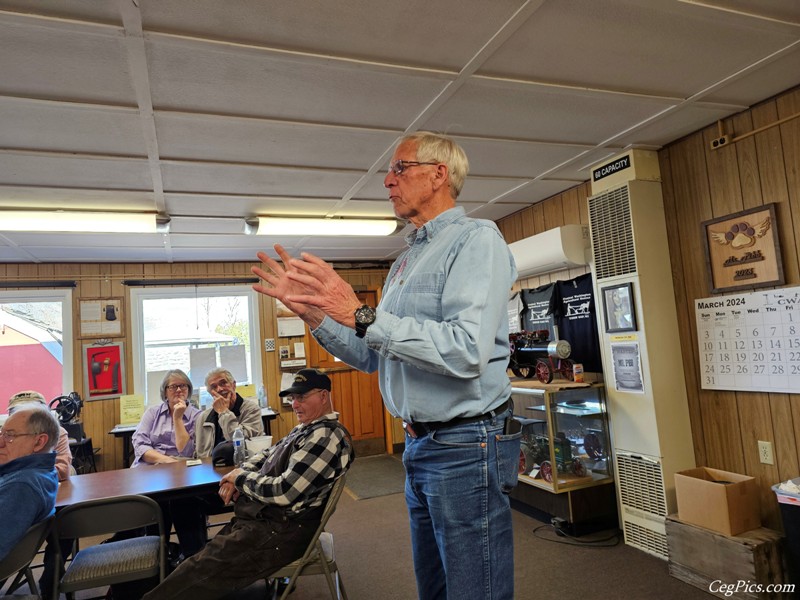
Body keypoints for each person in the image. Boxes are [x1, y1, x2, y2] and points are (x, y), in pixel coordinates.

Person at [252, 131, 520, 600]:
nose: (387, 182)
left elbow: (464, 350)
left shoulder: (477, 241)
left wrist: (357, 311)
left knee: (474, 590)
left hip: (464, 445)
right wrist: (314, 313)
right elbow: (373, 354)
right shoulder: (406, 259)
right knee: (434, 588)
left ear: (439, 174)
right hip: (420, 448)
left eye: (399, 168)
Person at [142, 368, 354, 600]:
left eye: (302, 397)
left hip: (281, 531)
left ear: (323, 396)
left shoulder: (325, 436)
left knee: (195, 574)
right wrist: (239, 472)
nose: (294, 404)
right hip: (263, 518)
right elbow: (266, 455)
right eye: (292, 398)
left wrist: (239, 479)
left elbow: (284, 491)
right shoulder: (305, 428)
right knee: (198, 559)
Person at [132, 369, 206, 559]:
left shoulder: (198, 416)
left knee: (184, 501)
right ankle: (154, 557)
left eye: (183, 386)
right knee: (154, 502)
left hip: (183, 475)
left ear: (189, 390)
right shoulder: (152, 413)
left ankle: (192, 556)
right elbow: (140, 444)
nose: (179, 390)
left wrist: (178, 418)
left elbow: (187, 452)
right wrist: (165, 461)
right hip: (152, 471)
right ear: (165, 391)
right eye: (173, 386)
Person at [0, 404, 60, 561]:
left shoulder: (21, 486)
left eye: (9, 435)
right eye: (2, 434)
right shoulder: (44, 472)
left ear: (39, 442)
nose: (1, 442)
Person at [194, 367, 263, 461]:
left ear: (233, 385)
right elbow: (199, 454)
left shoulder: (251, 409)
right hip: (210, 467)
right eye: (214, 387)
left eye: (223, 383)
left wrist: (224, 412)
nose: (220, 389)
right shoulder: (204, 417)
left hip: (243, 464)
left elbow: (241, 443)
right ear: (210, 393)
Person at [8, 390, 72, 480]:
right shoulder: (4, 436)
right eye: (15, 412)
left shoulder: (57, 432)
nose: (20, 416)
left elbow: (62, 470)